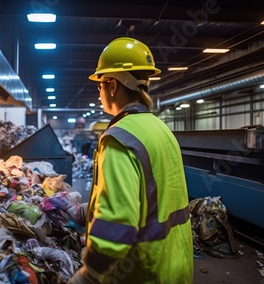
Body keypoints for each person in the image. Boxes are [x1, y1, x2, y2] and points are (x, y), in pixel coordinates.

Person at [69, 37, 193, 283]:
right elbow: (152, 199)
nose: (99, 90)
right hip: (175, 264)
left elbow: (116, 229)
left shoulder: (119, 138)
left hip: (142, 271)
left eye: (100, 84)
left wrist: (89, 274)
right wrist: (86, 210)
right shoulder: (160, 129)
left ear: (112, 86)